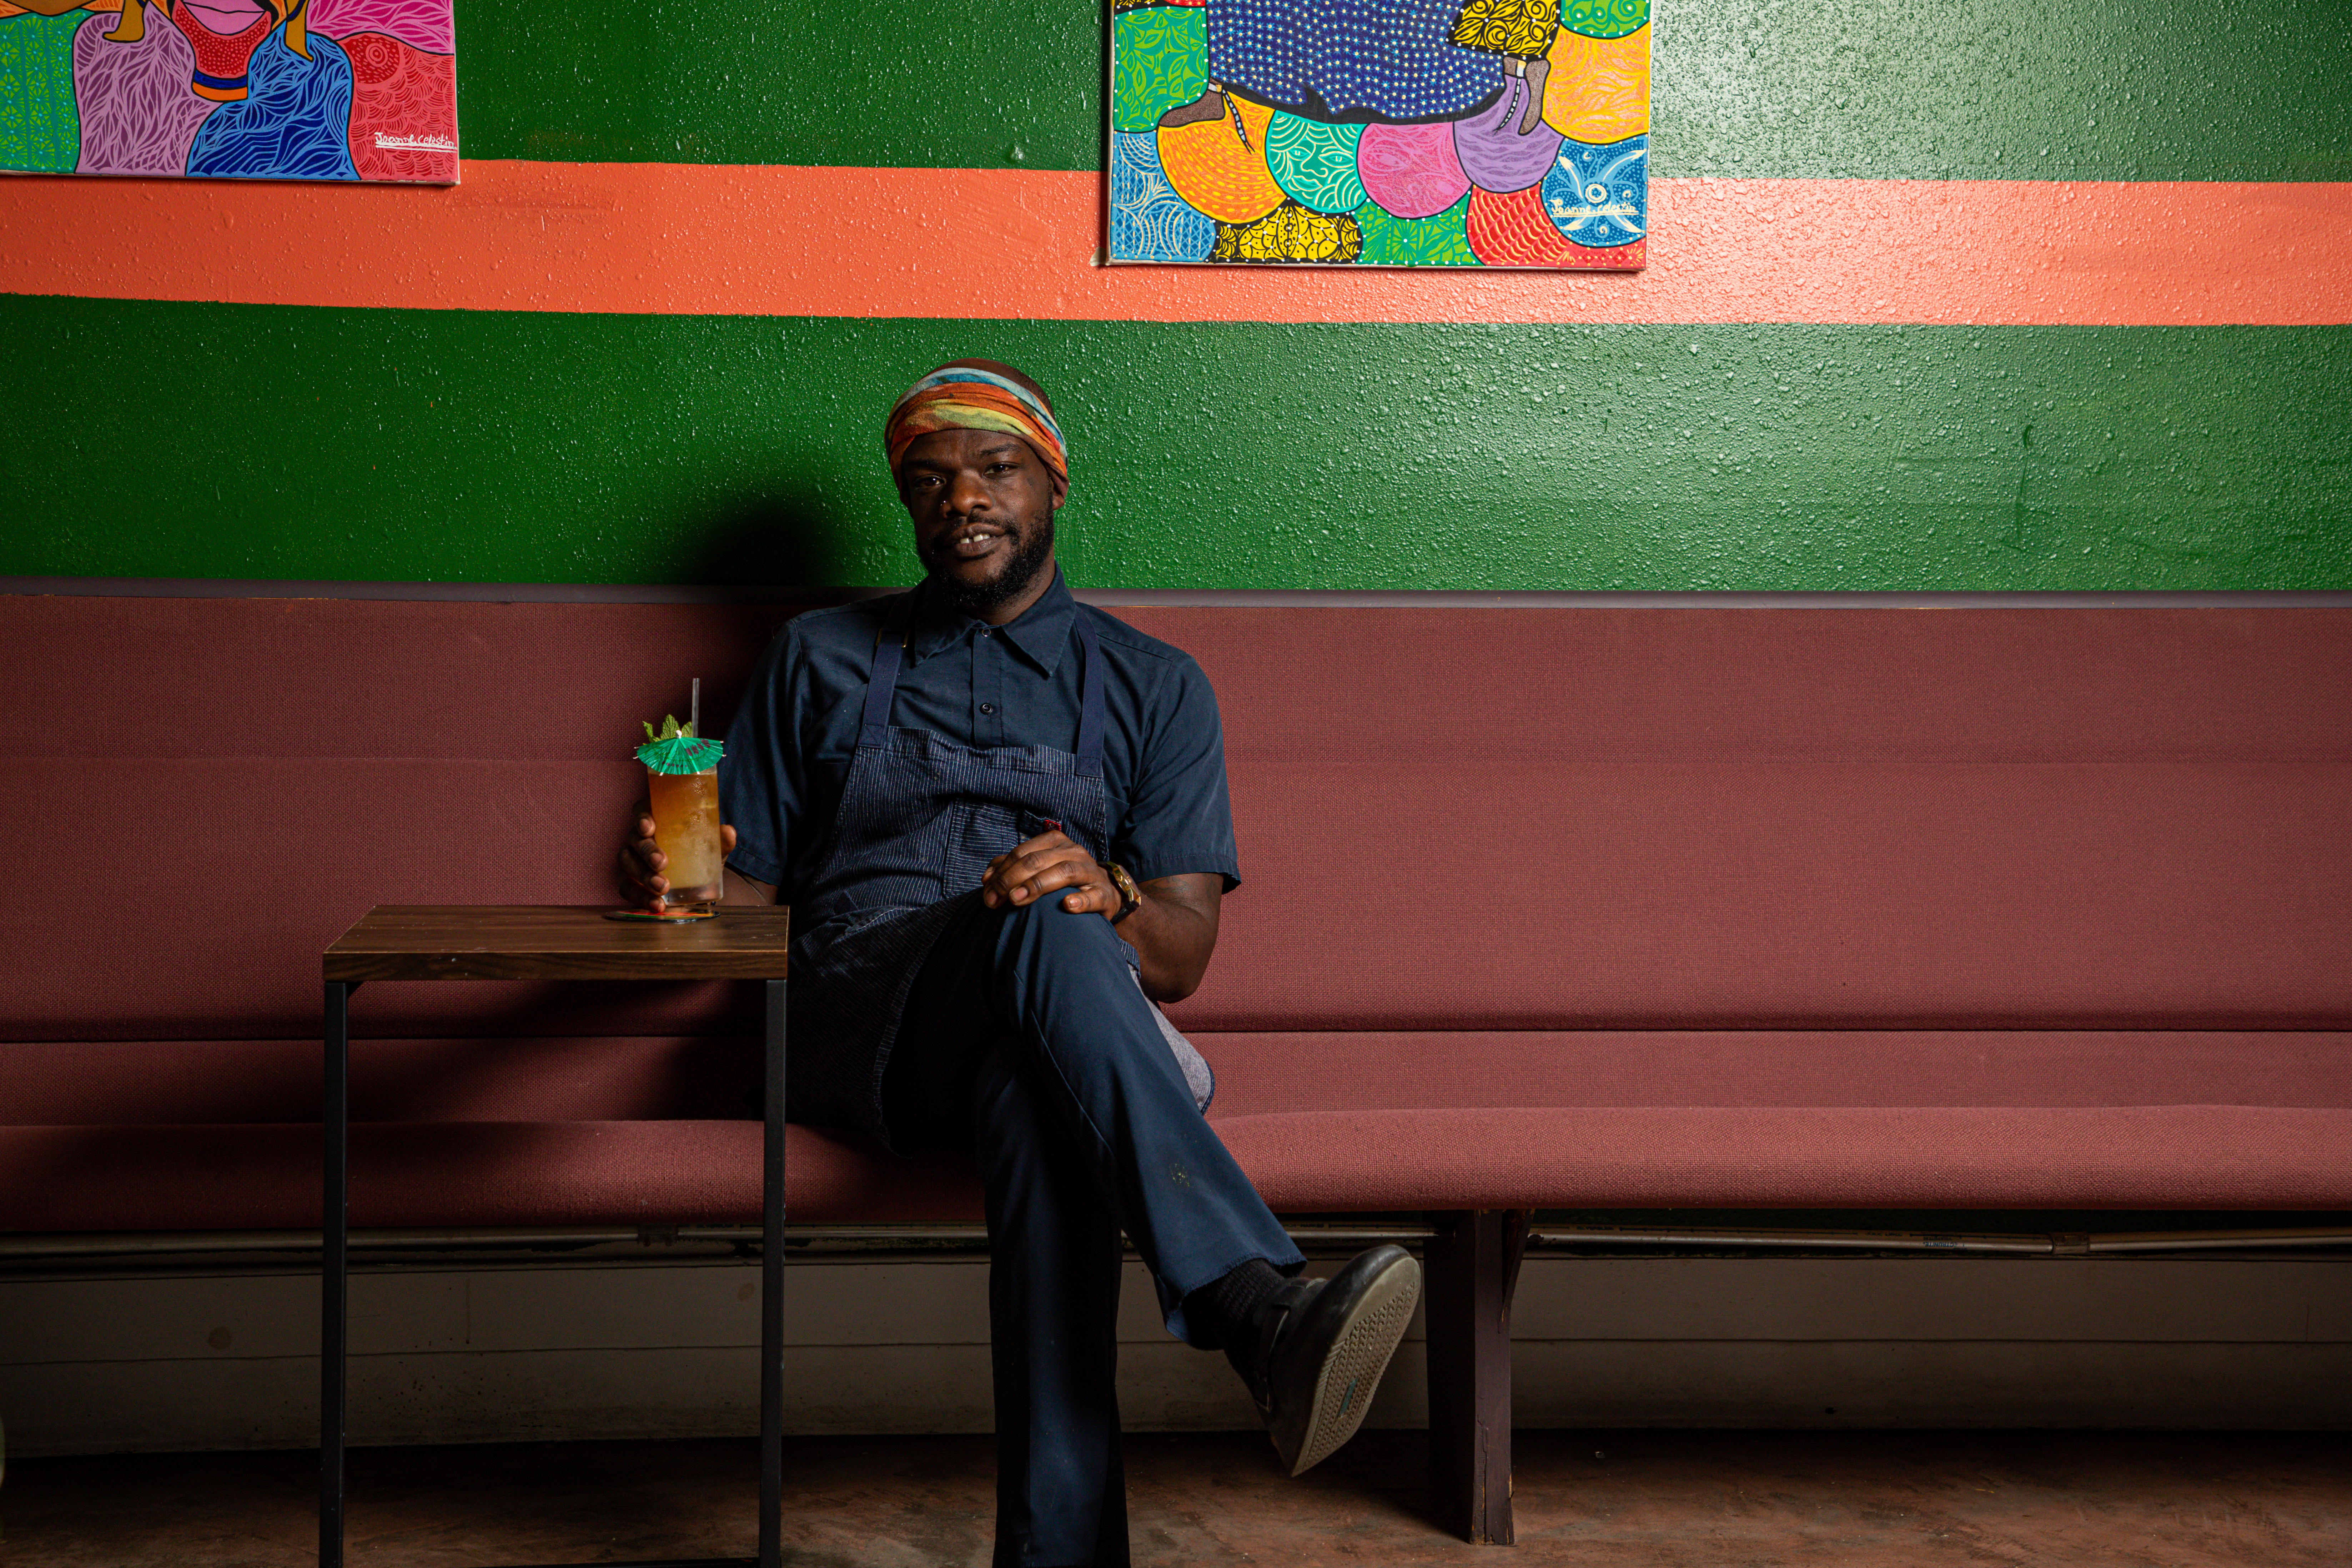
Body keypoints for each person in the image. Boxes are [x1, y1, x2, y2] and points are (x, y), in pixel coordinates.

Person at [618, 360, 1421, 1567]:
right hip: (862, 1021)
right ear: (907, 507)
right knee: (1045, 923)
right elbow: (747, 902)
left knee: (1039, 1080)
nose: (962, 500)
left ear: (1052, 481)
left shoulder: (1155, 686)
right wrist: (673, 887)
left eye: (994, 469)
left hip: (1051, 1036)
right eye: (928, 482)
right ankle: (1252, 1302)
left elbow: (1183, 956)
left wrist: (1114, 894)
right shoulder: (819, 658)